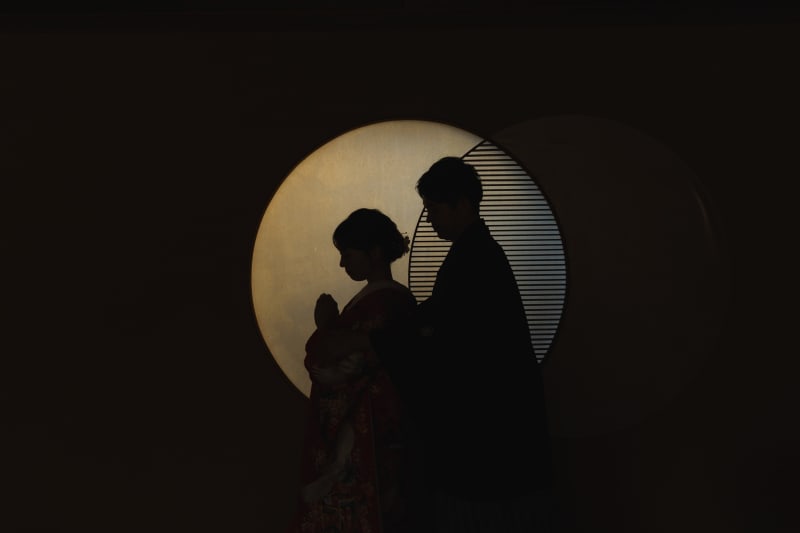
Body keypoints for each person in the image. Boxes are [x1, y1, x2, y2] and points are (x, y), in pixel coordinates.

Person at [372, 157, 556, 532]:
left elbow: (443, 332)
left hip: (486, 430)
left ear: (463, 204)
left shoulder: (475, 258)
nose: (430, 219)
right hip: (499, 426)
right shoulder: (479, 254)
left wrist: (372, 339)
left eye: (435, 209)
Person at [286, 208, 423, 533]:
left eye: (347, 254)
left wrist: (326, 324)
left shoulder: (380, 304)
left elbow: (328, 359)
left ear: (374, 253)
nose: (342, 263)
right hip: (389, 431)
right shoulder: (396, 301)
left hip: (369, 434)